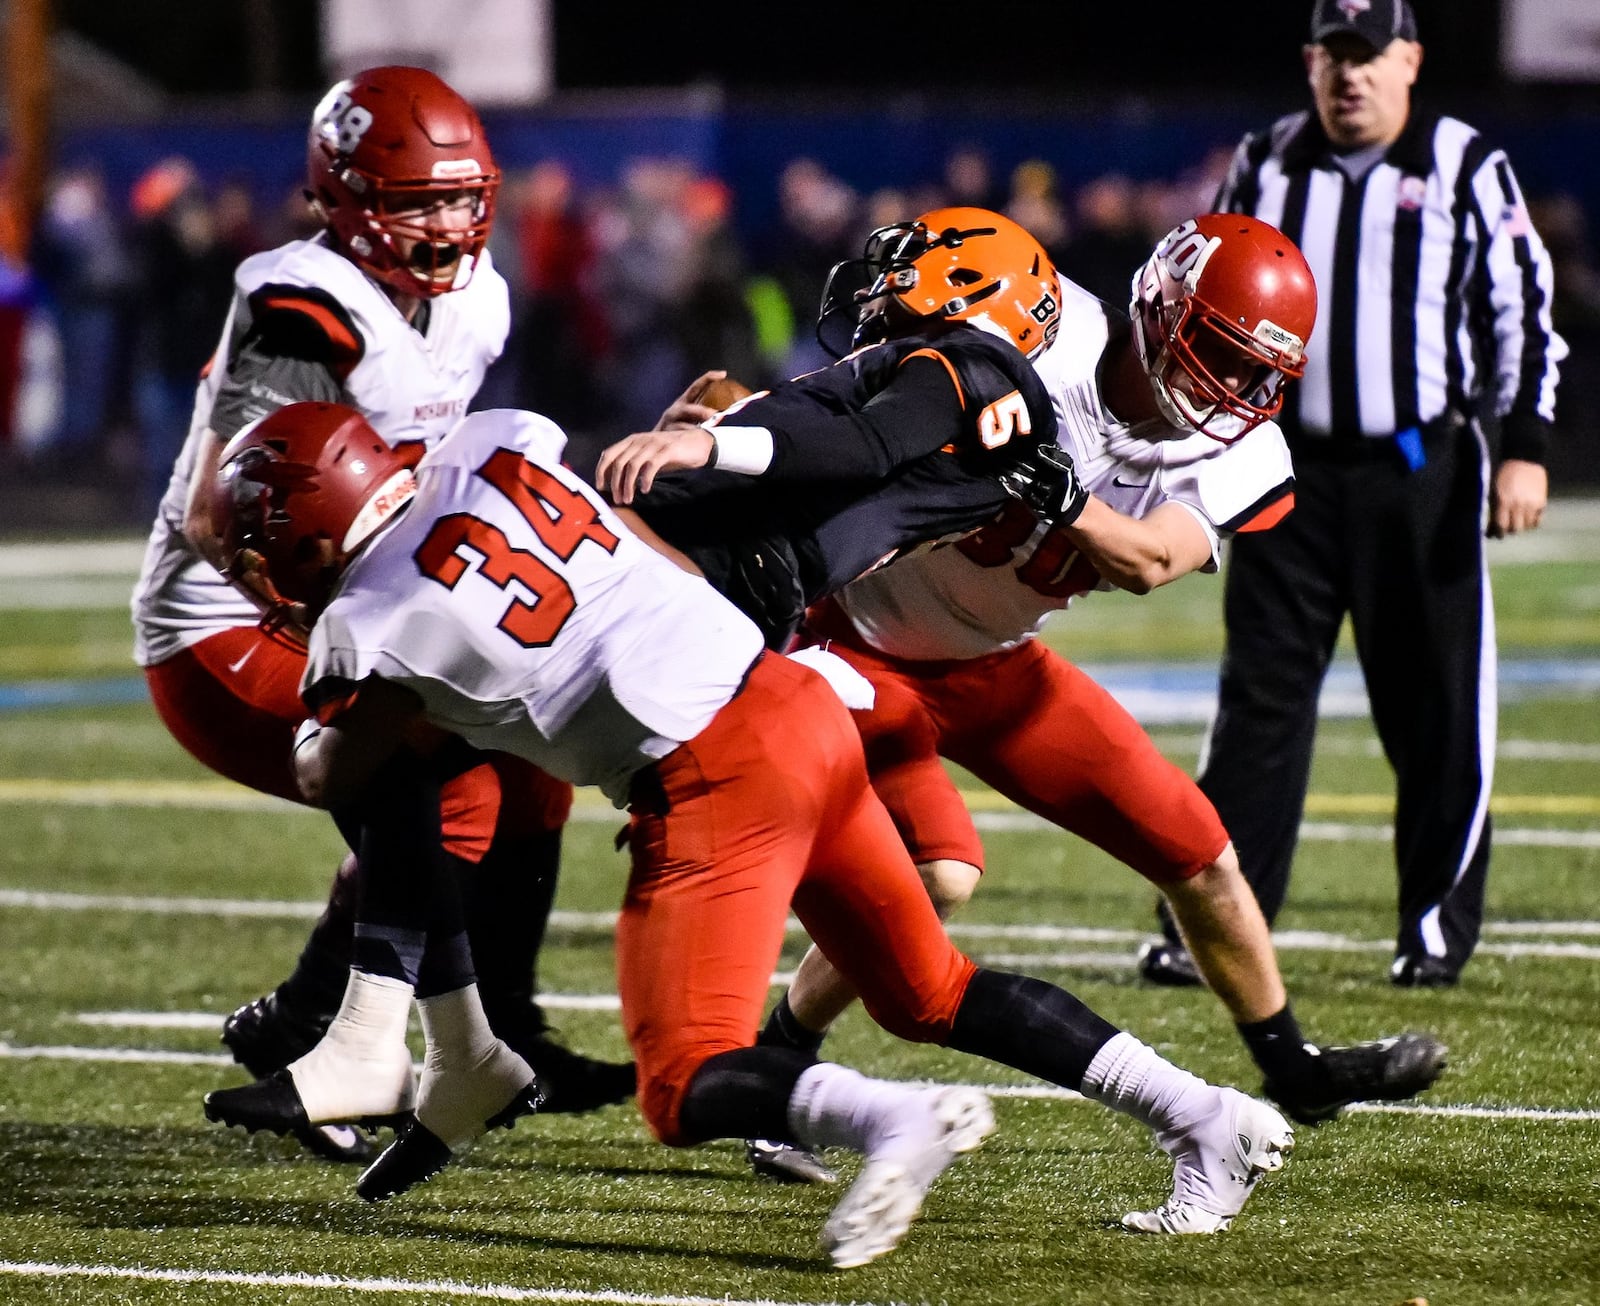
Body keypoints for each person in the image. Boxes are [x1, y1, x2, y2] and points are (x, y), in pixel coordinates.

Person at [202, 398, 1297, 1269]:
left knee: (681, 1084)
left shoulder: (369, 627)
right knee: (928, 991)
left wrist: (338, 686)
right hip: (793, 697)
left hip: (710, 771)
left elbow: (333, 765)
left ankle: (889, 1120)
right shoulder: (495, 441)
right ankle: (1205, 1117)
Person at [719, 211, 1446, 1183]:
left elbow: (1154, 558)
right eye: (1214, 355)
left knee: (1201, 852)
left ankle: (1291, 1067)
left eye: (1251, 373)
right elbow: (845, 411)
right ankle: (779, 1061)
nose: (1228, 392)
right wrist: (731, 425)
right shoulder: (1038, 331)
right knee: (940, 874)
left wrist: (1052, 488)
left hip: (996, 664)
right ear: (1158, 305)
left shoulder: (1244, 454)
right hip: (862, 641)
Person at [128, 66, 631, 1163]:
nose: (448, 223)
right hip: (233, 616)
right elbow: (225, 515)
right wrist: (368, 649)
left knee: (534, 758)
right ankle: (336, 1049)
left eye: (462, 197)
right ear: (345, 196)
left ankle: (499, 1032)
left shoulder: (478, 295)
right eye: (416, 201)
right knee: (432, 769)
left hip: (362, 599)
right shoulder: (302, 307)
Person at [1143, 0, 1568, 990]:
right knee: (1256, 708)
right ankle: (1210, 926)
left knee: (1433, 708)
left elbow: (1525, 309)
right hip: (1283, 469)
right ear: (1308, 63)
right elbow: (1202, 300)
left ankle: (1431, 925)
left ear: (1409, 60)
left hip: (1419, 473)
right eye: (1334, 56)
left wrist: (1525, 447)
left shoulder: (1463, 161)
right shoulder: (1266, 161)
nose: (1350, 76)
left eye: (1369, 56)